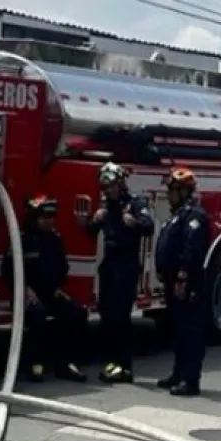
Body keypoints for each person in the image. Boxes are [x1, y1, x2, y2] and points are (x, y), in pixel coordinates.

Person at [1, 195, 88, 383]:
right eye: (44, 217)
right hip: (25, 295)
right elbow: (7, 270)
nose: (49, 221)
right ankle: (35, 364)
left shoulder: (55, 240)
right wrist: (24, 289)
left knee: (78, 313)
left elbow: (62, 268)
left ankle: (65, 363)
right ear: (34, 218)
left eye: (51, 217)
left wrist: (58, 288)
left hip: (50, 293)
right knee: (38, 316)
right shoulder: (21, 240)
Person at [86, 162, 154, 384]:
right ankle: (111, 362)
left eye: (112, 186)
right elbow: (89, 232)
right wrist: (92, 221)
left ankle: (125, 367)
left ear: (121, 183)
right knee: (106, 317)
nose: (108, 191)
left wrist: (134, 222)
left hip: (127, 266)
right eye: (105, 187)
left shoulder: (135, 203)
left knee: (121, 318)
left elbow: (149, 226)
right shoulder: (106, 207)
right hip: (109, 265)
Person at [154, 167, 211, 397]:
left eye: (173, 190)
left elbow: (192, 249)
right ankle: (177, 374)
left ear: (186, 192)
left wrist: (182, 277)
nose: (169, 194)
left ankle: (190, 380)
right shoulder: (179, 214)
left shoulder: (194, 216)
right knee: (178, 330)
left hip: (188, 283)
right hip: (174, 281)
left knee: (191, 331)